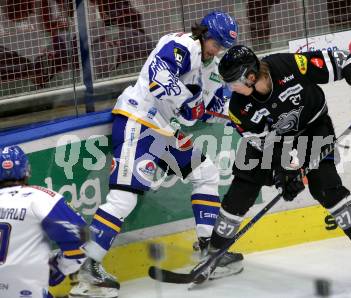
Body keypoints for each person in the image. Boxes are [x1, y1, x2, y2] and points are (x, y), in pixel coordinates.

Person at [69, 11, 243, 297]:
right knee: (123, 198)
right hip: (138, 121)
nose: (218, 49)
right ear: (204, 33)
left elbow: (203, 112)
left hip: (161, 131)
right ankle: (88, 268)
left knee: (205, 171)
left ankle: (209, 249)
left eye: (222, 45)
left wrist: (230, 114)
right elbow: (158, 75)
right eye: (216, 42)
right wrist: (188, 102)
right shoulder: (183, 45)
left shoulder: (211, 66)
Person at [193, 45, 351, 285]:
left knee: (326, 187)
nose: (230, 88)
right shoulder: (239, 108)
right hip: (273, 142)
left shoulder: (288, 65)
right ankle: (214, 255)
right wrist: (283, 173)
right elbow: (265, 145)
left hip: (313, 128)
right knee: (243, 186)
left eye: (233, 82)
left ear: (250, 77)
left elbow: (343, 59)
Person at [0, 145, 87, 297]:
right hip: (25, 292)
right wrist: (59, 268)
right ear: (27, 170)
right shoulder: (40, 198)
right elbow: (80, 239)